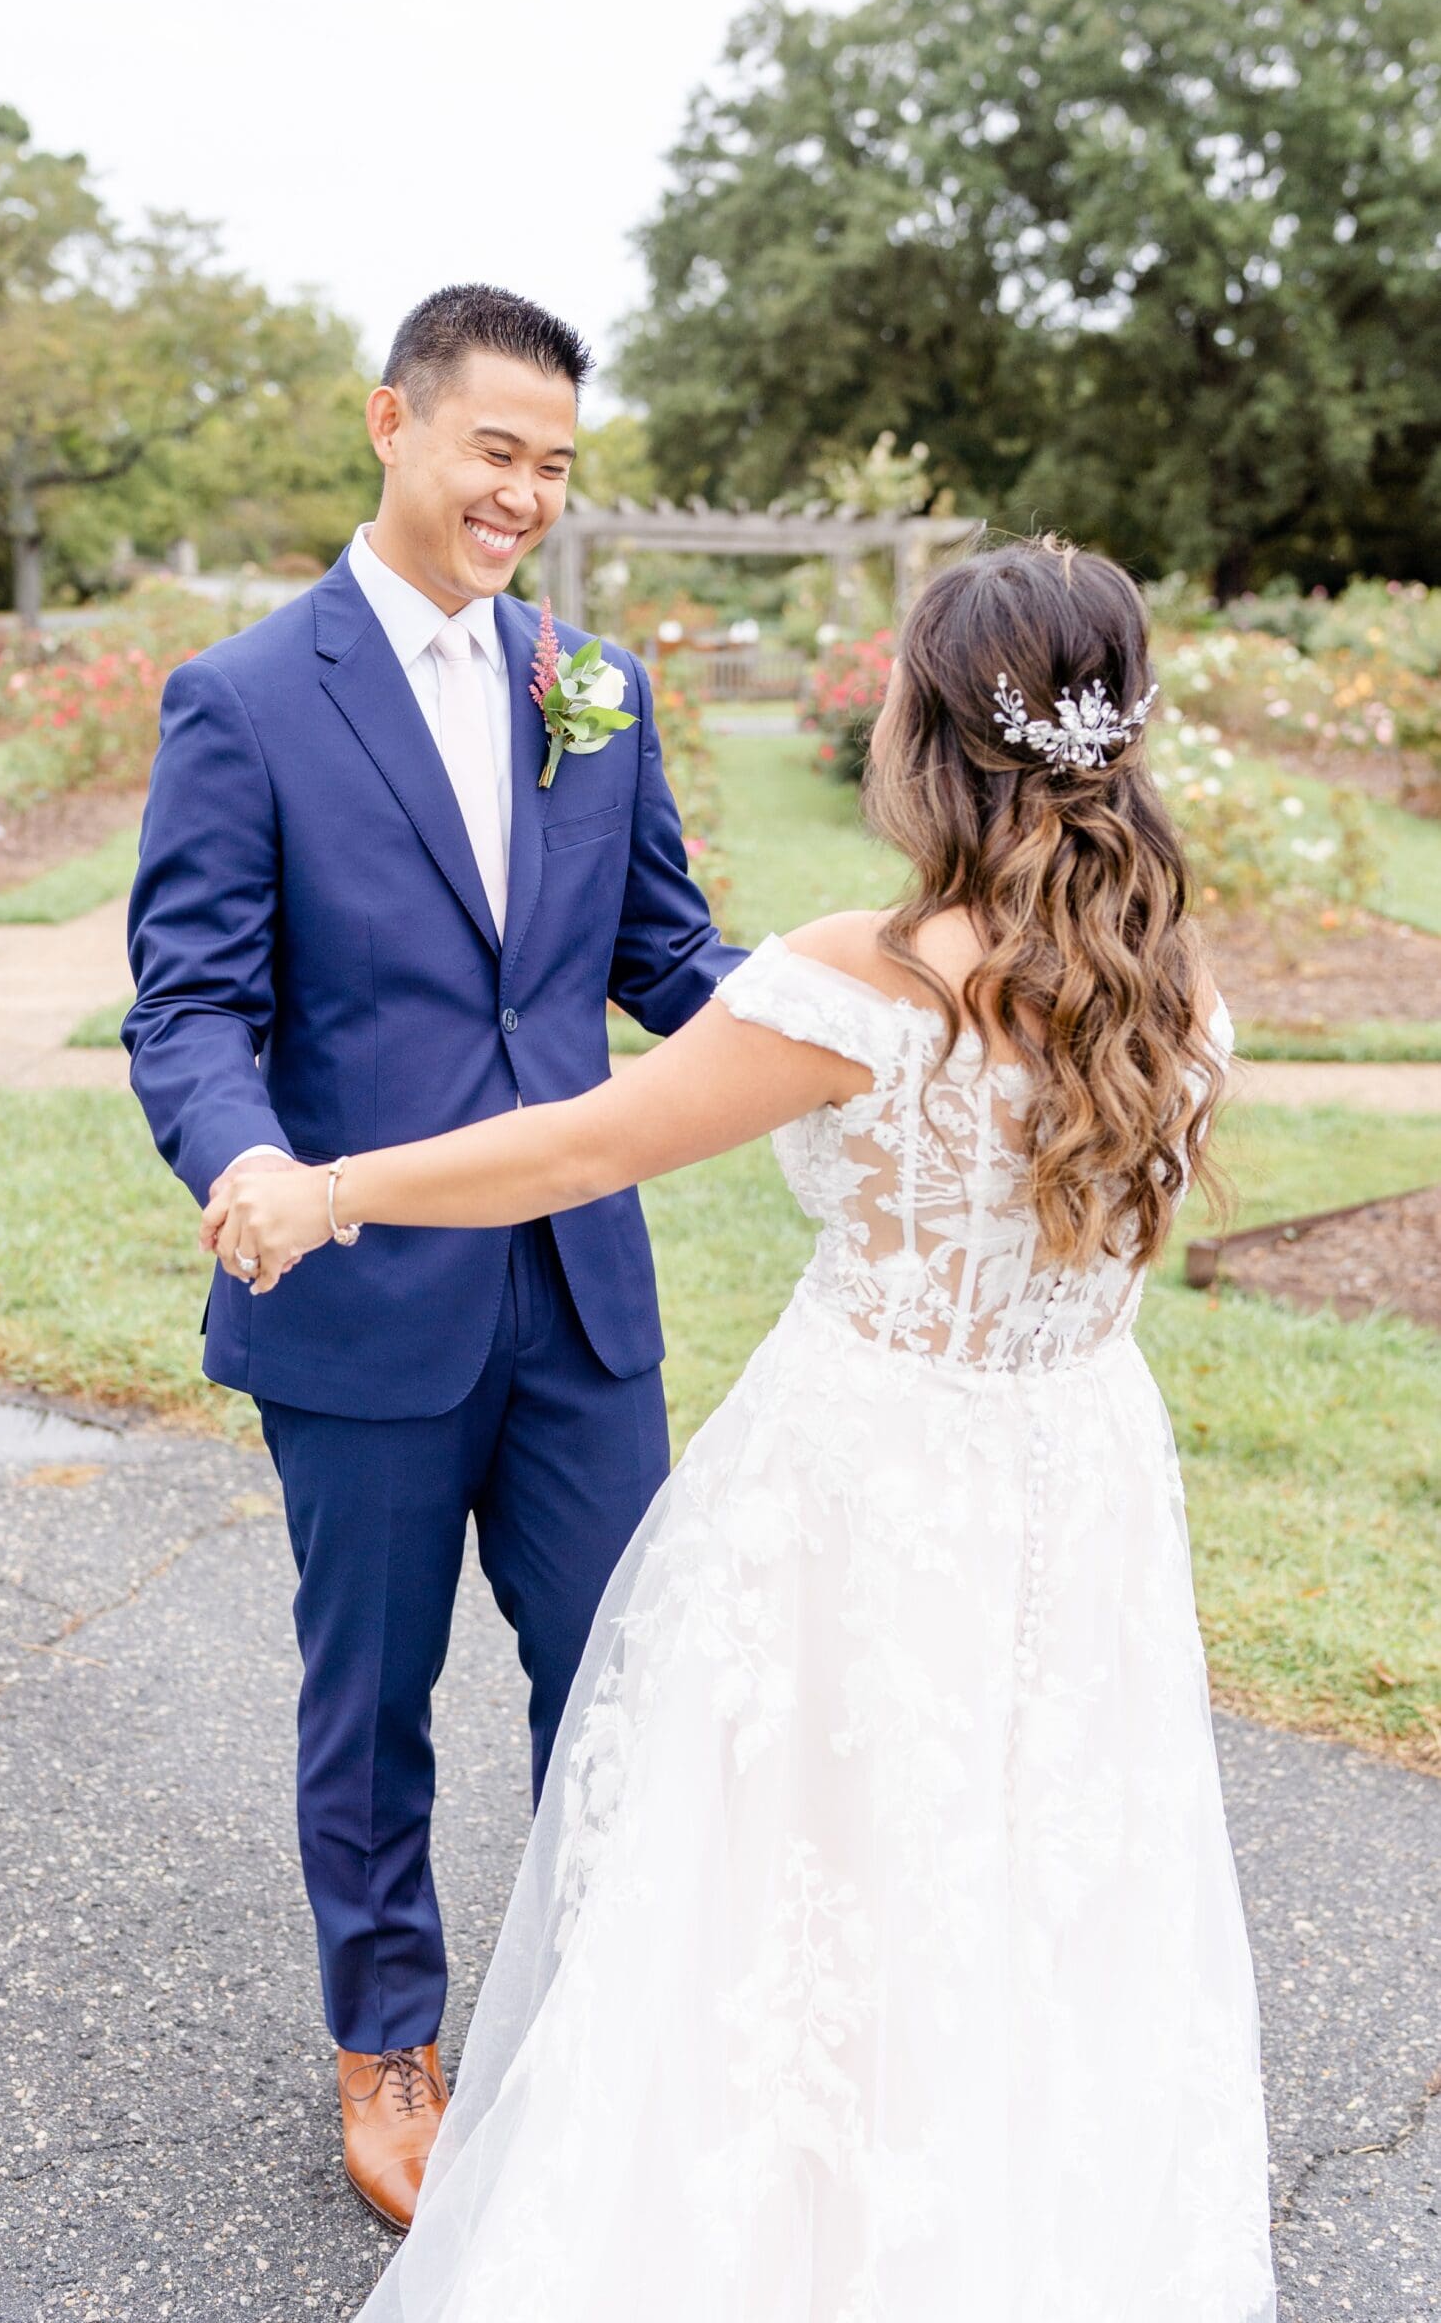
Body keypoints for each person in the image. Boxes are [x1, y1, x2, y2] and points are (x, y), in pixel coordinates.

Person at [202, 540, 1278, 2321]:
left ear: (925, 731)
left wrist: (335, 1188)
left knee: (806, 1866)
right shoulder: (1176, 994)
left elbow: (580, 1145)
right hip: (1075, 1484)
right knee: (1040, 1853)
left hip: (864, 1488)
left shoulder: (869, 978)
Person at [121, 284, 744, 2231]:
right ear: (391, 422)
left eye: (555, 465)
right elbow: (190, 1003)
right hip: (359, 1292)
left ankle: (606, 2010)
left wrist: (862, 1022)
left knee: (620, 1673)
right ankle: (387, 2039)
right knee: (369, 1695)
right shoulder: (244, 696)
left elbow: (666, 960)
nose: (525, 495)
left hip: (578, 1295)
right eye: (497, 449)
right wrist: (242, 1161)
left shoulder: (599, 685)